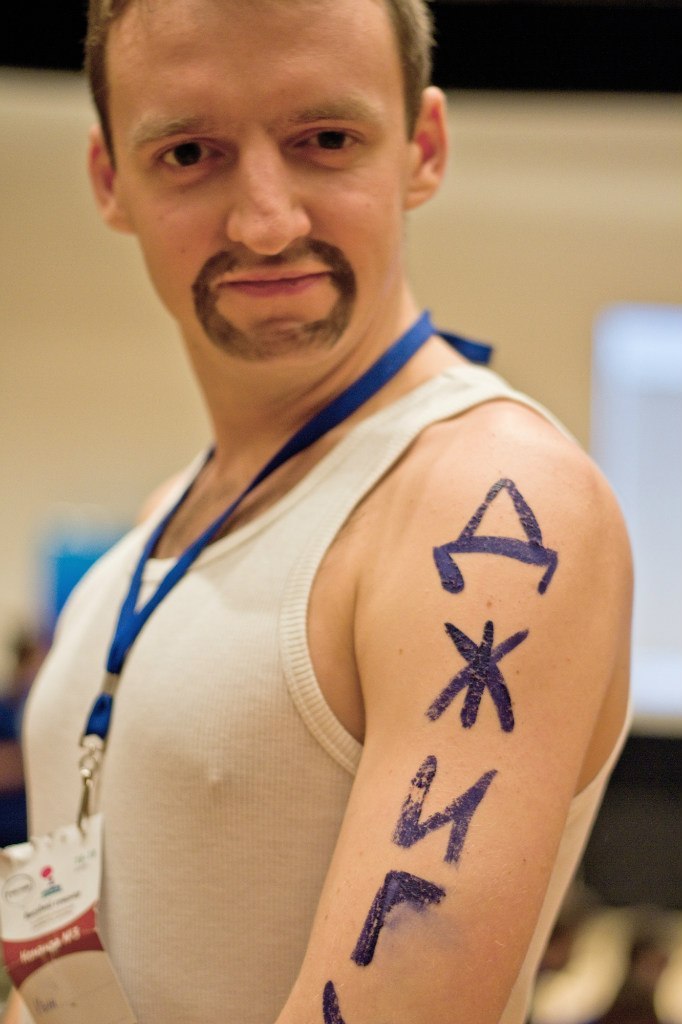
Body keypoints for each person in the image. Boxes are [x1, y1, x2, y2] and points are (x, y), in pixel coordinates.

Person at [4, 1, 632, 1022]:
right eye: (190, 153)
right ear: (109, 179)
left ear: (423, 147)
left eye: (326, 140)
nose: (266, 222)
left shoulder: (488, 497)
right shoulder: (164, 523)